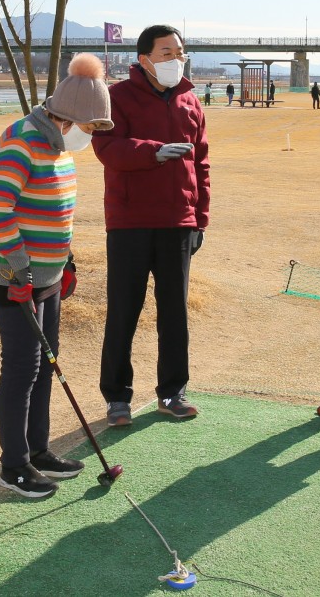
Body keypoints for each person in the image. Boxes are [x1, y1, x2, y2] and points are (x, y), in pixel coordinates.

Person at [0, 53, 113, 498]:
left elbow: (55, 213)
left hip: (46, 275)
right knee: (23, 368)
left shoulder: (58, 145)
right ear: (67, 117)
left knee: (47, 362)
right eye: (90, 128)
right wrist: (20, 268)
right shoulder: (22, 140)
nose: (89, 138)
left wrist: (64, 261)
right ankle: (13, 465)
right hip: (14, 275)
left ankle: (38, 451)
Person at [92, 25, 211, 427]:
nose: (175, 59)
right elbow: (107, 149)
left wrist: (200, 218)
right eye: (166, 53)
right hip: (129, 221)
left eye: (179, 52)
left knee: (174, 312)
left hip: (178, 220)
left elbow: (202, 164)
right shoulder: (116, 97)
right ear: (144, 59)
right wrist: (155, 152)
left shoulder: (190, 101)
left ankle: (172, 391)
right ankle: (116, 397)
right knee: (124, 310)